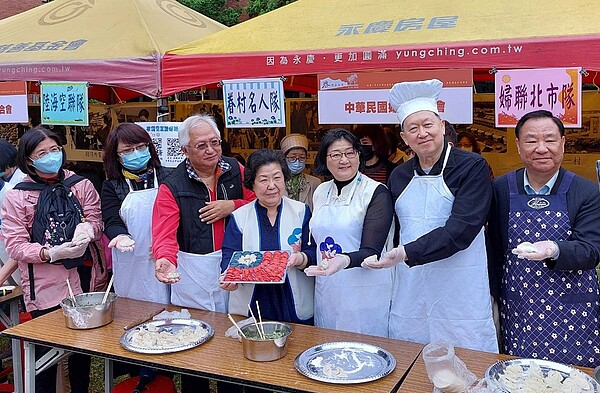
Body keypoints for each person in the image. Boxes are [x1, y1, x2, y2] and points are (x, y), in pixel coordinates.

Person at [364, 79, 498, 352]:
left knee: (465, 355)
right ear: (404, 138)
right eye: (413, 129)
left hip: (460, 281)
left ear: (442, 126)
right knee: (412, 351)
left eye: (428, 124)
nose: (422, 133)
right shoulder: (400, 175)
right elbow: (391, 227)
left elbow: (461, 230)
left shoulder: (471, 167)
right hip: (413, 283)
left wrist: (405, 253)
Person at [488, 110, 600, 367]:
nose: (541, 148)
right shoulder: (500, 189)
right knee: (521, 372)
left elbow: (592, 250)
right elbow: (493, 247)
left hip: (572, 305)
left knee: (573, 375)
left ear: (562, 143)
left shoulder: (586, 191)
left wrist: (553, 249)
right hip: (520, 304)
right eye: (531, 141)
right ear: (518, 145)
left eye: (549, 140)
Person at [151, 114, 255, 393]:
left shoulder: (236, 170)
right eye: (201, 146)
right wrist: (164, 260)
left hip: (234, 266)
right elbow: (164, 232)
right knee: (193, 342)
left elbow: (260, 199)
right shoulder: (172, 185)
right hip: (193, 271)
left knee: (234, 339)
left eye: (215, 143)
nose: (211, 150)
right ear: (185, 150)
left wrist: (231, 205)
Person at [1, 126, 103, 392]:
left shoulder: (80, 184)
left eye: (54, 149)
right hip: (44, 284)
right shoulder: (17, 196)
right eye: (42, 152)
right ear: (28, 159)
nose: (50, 156)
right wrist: (50, 252)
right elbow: (15, 246)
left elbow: (96, 219)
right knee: (45, 355)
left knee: (83, 348)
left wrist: (88, 229)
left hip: (84, 276)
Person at [304, 128, 394, 337]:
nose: (344, 160)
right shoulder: (321, 191)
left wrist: (341, 261)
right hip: (329, 287)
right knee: (329, 346)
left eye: (350, 152)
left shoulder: (375, 192)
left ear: (358, 155)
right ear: (325, 159)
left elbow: (372, 250)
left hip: (364, 290)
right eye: (336, 154)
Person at [220, 149, 316, 325]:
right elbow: (230, 255)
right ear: (252, 184)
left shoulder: (301, 211)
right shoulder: (240, 217)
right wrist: (229, 277)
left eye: (277, 178)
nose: (272, 185)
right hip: (253, 299)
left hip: (292, 296)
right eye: (264, 180)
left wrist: (301, 258)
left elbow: (313, 250)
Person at [101, 123, 171, 303]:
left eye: (141, 147)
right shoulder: (112, 185)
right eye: (128, 150)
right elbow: (112, 219)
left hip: (167, 255)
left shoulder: (169, 177)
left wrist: (165, 246)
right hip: (131, 258)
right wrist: (120, 236)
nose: (136, 153)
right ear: (116, 156)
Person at [279, 133, 321, 211]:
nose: (297, 161)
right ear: (284, 158)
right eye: (292, 157)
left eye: (302, 157)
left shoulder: (315, 182)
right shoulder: (276, 181)